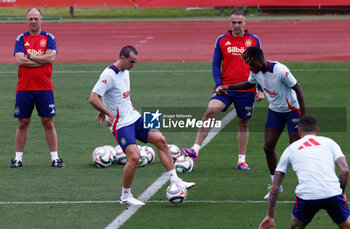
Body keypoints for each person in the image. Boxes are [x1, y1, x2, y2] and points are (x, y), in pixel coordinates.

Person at [89, 45, 195, 205]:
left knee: (161, 140)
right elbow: (93, 97)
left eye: (135, 62)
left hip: (134, 116)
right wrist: (108, 113)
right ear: (122, 58)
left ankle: (176, 180)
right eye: (132, 62)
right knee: (134, 157)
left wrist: (103, 109)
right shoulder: (108, 74)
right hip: (120, 124)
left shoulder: (126, 71)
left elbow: (112, 97)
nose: (133, 65)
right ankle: (125, 196)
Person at [217, 46, 306, 199]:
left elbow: (298, 88)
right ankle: (276, 185)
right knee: (268, 146)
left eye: (251, 64)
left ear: (260, 60)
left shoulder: (280, 70)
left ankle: (305, 185)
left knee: (295, 150)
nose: (250, 67)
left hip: (292, 110)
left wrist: (303, 117)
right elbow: (249, 84)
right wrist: (228, 87)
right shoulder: (256, 71)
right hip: (275, 111)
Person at [182, 9, 264, 171]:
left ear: (245, 23)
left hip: (247, 89)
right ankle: (195, 149)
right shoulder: (221, 40)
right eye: (233, 22)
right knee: (210, 111)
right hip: (226, 88)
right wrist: (218, 83)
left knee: (243, 123)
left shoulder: (254, 40)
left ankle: (241, 160)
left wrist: (260, 89)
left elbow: (260, 65)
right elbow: (215, 64)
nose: (236, 26)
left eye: (239, 22)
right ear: (230, 23)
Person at [258, 115, 350, 229]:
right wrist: (341, 193)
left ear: (299, 131)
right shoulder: (330, 143)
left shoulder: (291, 149)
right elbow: (344, 170)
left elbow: (275, 186)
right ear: (317, 130)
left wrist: (270, 215)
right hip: (332, 193)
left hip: (307, 196)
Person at [9, 8, 64, 168]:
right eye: (30, 19)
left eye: (36, 18)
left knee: (48, 122)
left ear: (41, 19)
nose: (33, 21)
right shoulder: (21, 38)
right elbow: (20, 61)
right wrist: (42, 59)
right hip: (24, 88)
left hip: (44, 88)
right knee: (22, 123)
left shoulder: (49, 38)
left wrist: (30, 56)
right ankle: (17, 159)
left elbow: (51, 57)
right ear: (26, 20)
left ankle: (55, 158)